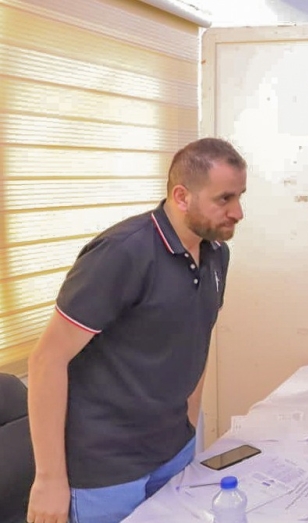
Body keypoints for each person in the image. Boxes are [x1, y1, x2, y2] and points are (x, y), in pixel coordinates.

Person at [26, 138, 247, 523]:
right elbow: (47, 360)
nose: (238, 212)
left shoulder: (216, 253)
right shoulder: (122, 252)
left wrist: (189, 422)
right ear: (182, 197)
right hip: (106, 467)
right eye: (224, 199)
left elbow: (197, 334)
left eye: (240, 196)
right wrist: (49, 480)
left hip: (173, 448)